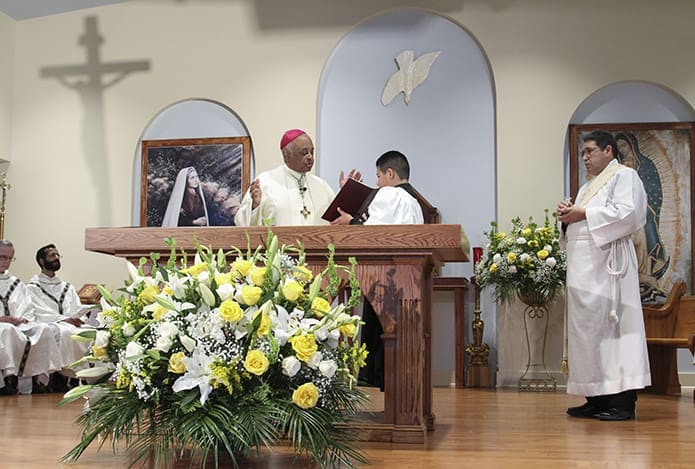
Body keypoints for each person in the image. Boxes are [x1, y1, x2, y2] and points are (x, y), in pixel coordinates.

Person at [557, 131, 651, 421]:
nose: (584, 157)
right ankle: (596, 396)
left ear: (608, 150)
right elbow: (579, 221)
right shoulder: (588, 187)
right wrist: (564, 218)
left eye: (590, 151)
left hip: (609, 268)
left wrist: (583, 214)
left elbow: (630, 214)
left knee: (612, 333)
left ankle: (622, 402)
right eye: (582, 152)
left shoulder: (624, 177)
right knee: (588, 333)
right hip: (584, 269)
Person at [332, 150, 424, 390]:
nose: (377, 182)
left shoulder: (389, 194)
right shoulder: (414, 202)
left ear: (390, 173)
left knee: (384, 340)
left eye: (378, 176)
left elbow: (374, 236)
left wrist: (350, 223)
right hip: (409, 282)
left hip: (385, 280)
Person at [234, 129, 360, 226]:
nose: (310, 157)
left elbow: (338, 219)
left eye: (312, 151)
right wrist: (255, 206)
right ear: (286, 154)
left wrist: (348, 194)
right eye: (304, 153)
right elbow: (241, 222)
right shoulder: (265, 182)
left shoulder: (321, 186)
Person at [0, 240, 62, 395]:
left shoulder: (15, 283)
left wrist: (22, 319)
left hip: (16, 323)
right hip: (3, 324)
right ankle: (8, 380)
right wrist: (4, 319)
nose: (7, 262)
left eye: (10, 258)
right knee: (7, 330)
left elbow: (27, 307)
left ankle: (38, 380)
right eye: (3, 257)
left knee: (43, 329)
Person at [27, 244, 92, 387]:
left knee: (90, 332)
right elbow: (38, 311)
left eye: (57, 255)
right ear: (41, 261)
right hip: (52, 324)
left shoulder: (67, 287)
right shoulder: (32, 287)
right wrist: (63, 319)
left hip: (70, 323)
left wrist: (79, 317)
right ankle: (57, 377)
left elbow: (75, 307)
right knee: (62, 332)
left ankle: (82, 377)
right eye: (52, 255)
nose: (56, 258)